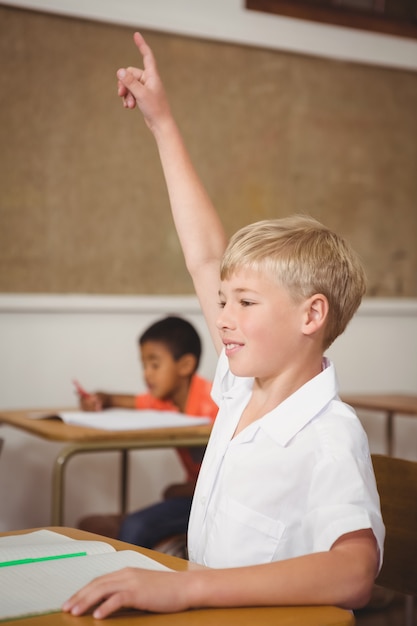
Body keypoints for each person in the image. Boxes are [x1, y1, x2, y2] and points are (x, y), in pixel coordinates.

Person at [63, 32, 384, 619]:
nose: (222, 316)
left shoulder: (330, 435)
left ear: (312, 315)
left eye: (245, 303)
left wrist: (184, 587)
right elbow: (205, 253)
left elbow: (355, 571)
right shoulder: (240, 388)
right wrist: (161, 124)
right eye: (223, 300)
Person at [77, 315, 218, 550]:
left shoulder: (215, 405)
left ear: (185, 365)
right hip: (194, 495)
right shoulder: (166, 401)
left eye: (154, 365)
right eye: (144, 365)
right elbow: (127, 401)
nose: (147, 374)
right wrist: (101, 399)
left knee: (136, 526)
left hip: (214, 499)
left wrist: (186, 489)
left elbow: (230, 476)